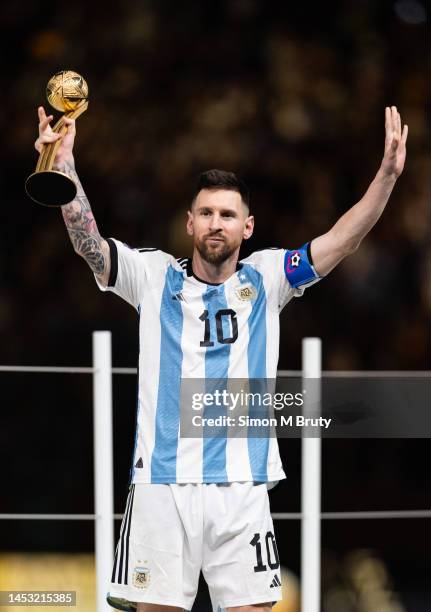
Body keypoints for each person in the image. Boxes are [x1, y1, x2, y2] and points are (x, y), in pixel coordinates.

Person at [34, 105, 407, 612]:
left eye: (227, 215)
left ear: (247, 227)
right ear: (189, 223)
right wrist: (65, 166)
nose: (216, 223)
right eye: (206, 213)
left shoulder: (269, 278)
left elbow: (344, 240)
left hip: (241, 489)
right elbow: (89, 245)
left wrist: (386, 177)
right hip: (161, 487)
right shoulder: (153, 275)